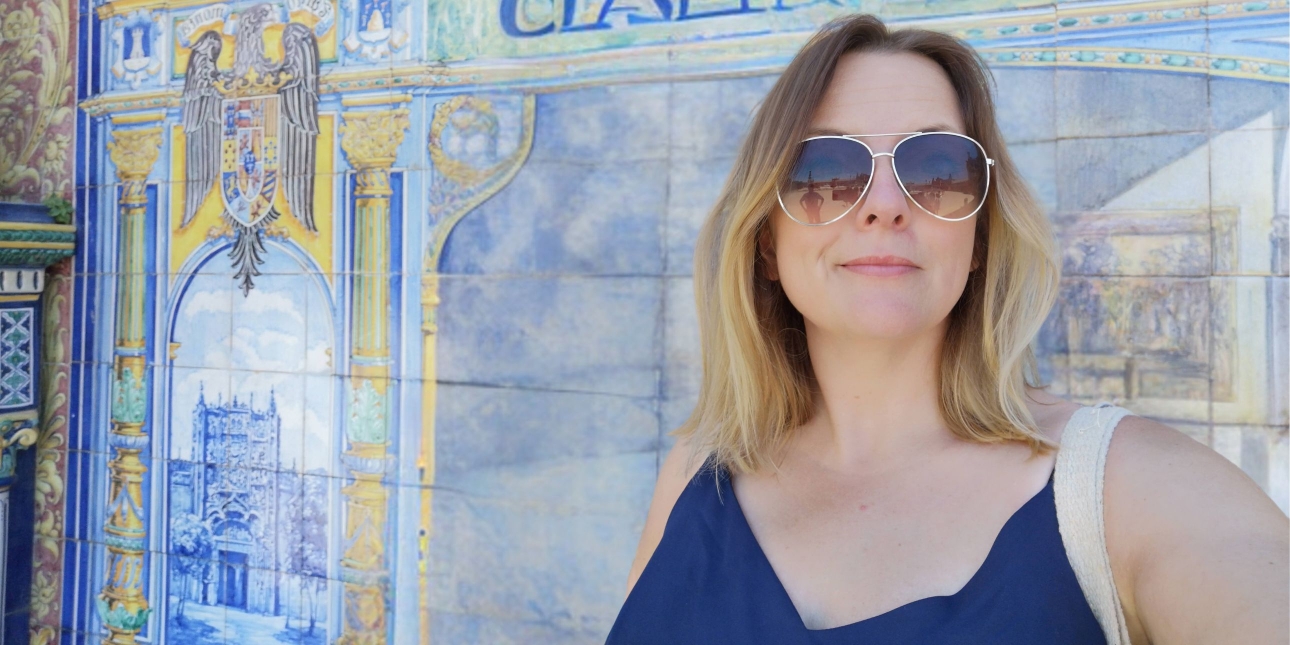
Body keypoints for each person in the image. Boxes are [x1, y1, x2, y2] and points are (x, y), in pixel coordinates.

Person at [607, 13, 1288, 644]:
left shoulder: (1125, 487)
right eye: (824, 169)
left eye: (937, 168)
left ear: (982, 238)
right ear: (766, 245)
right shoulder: (697, 470)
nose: (883, 206)